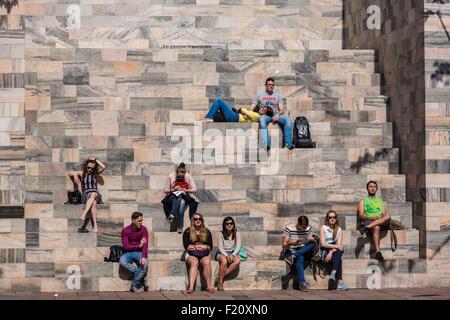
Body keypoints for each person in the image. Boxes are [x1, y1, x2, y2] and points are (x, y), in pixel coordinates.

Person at [67, 157, 106, 233]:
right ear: (85, 166)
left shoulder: (95, 173)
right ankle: (95, 226)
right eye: (88, 167)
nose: (90, 169)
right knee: (93, 203)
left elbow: (103, 167)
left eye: (92, 168)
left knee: (94, 194)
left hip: (95, 193)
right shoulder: (82, 174)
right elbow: (69, 173)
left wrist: (95, 159)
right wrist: (75, 174)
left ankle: (84, 214)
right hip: (86, 195)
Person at [254, 78, 294, 151]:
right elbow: (252, 107)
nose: (271, 86)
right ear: (265, 85)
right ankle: (266, 144)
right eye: (269, 84)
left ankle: (288, 143)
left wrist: (278, 115)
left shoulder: (278, 96)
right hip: (265, 115)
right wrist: (258, 111)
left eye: (272, 85)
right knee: (262, 119)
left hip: (276, 114)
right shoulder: (259, 95)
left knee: (287, 119)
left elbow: (282, 109)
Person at [358, 180, 391, 262]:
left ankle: (368, 227)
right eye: (370, 186)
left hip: (380, 220)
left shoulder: (380, 201)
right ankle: (378, 252)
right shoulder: (363, 201)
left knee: (388, 216)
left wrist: (379, 218)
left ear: (376, 189)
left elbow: (384, 214)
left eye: (374, 187)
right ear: (367, 189)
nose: (372, 188)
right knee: (376, 227)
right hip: (369, 220)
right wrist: (372, 218)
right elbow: (361, 215)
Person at [282, 215, 317, 291]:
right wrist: (291, 243)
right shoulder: (289, 228)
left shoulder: (308, 229)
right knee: (300, 256)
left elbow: (312, 243)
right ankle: (302, 283)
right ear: (298, 223)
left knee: (313, 243)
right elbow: (284, 246)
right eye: (303, 227)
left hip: (305, 250)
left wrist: (312, 239)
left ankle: (293, 256)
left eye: (305, 227)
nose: (304, 229)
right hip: (291, 250)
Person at [183, 213, 214, 294]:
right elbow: (187, 246)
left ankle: (208, 286)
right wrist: (202, 246)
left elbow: (210, 246)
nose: (198, 220)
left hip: (204, 254)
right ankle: (191, 287)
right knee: (194, 262)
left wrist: (197, 246)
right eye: (195, 219)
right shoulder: (187, 231)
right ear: (192, 221)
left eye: (199, 219)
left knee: (207, 262)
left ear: (202, 220)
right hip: (191, 254)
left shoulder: (207, 231)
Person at [162, 163, 198, 233]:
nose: (181, 178)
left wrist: (186, 190)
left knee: (181, 202)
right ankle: (180, 225)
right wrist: (174, 189)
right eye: (179, 177)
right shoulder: (171, 176)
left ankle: (172, 215)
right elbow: (165, 190)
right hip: (173, 196)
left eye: (182, 177)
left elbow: (195, 189)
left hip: (184, 195)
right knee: (179, 199)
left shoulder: (188, 176)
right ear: (176, 173)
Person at [119, 211, 149, 293]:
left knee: (145, 263)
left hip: (139, 253)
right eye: (139, 221)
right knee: (122, 261)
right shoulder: (125, 230)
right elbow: (126, 246)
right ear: (133, 220)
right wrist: (138, 245)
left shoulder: (144, 229)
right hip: (127, 252)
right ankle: (141, 274)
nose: (141, 222)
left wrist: (143, 256)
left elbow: (145, 245)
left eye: (142, 220)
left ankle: (134, 285)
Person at [319, 210, 349, 291]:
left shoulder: (339, 230)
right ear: (327, 219)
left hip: (333, 252)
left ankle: (333, 273)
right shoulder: (323, 228)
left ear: (336, 219)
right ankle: (340, 283)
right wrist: (330, 252)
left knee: (339, 252)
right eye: (330, 217)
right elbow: (323, 244)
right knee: (339, 255)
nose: (332, 219)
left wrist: (331, 252)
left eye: (334, 217)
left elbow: (339, 245)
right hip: (324, 252)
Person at [215, 216, 242, 291]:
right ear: (224, 225)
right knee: (224, 262)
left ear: (233, 224)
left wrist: (233, 255)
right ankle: (220, 283)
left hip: (233, 252)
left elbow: (238, 246)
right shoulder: (221, 234)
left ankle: (220, 276)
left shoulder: (237, 233)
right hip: (222, 253)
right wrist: (227, 255)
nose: (229, 225)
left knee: (238, 261)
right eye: (227, 224)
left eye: (231, 223)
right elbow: (220, 247)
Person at [201, 98, 274, 122]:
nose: (262, 110)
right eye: (263, 108)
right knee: (217, 112)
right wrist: (245, 113)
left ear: (265, 115)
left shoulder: (257, 116)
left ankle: (209, 118)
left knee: (219, 101)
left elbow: (243, 109)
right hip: (235, 116)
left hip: (235, 116)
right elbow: (246, 112)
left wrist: (244, 111)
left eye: (264, 111)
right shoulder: (256, 114)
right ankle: (207, 118)